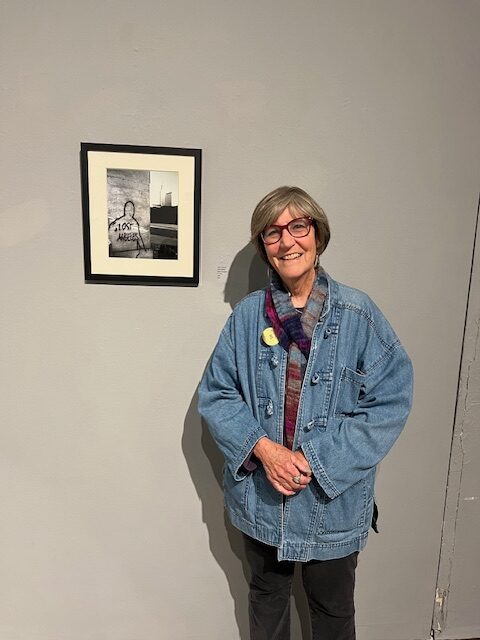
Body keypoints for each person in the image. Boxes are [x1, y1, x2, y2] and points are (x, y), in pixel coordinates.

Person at [198, 186, 413, 640]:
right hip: (262, 497)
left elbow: (389, 401)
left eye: (298, 226)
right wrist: (265, 450)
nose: (287, 241)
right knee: (266, 601)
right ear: (263, 246)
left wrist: (315, 461)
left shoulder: (359, 314)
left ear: (317, 234)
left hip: (332, 505)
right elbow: (218, 394)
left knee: (333, 613)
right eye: (273, 232)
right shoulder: (247, 317)